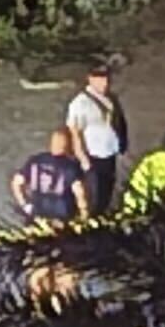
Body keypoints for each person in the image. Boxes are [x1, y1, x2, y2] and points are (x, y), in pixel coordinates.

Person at [65, 65, 128, 216]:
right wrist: (82, 158)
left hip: (109, 152)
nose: (105, 83)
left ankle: (104, 216)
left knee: (108, 188)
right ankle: (91, 220)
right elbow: (75, 132)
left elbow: (118, 121)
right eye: (100, 79)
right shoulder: (80, 103)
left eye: (106, 79)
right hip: (92, 155)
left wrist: (122, 143)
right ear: (91, 79)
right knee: (94, 194)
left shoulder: (111, 98)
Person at [11, 128, 91, 226]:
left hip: (37, 213)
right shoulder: (71, 166)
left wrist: (25, 205)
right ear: (69, 145)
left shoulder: (35, 160)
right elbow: (80, 193)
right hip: (62, 218)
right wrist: (84, 216)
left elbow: (16, 182)